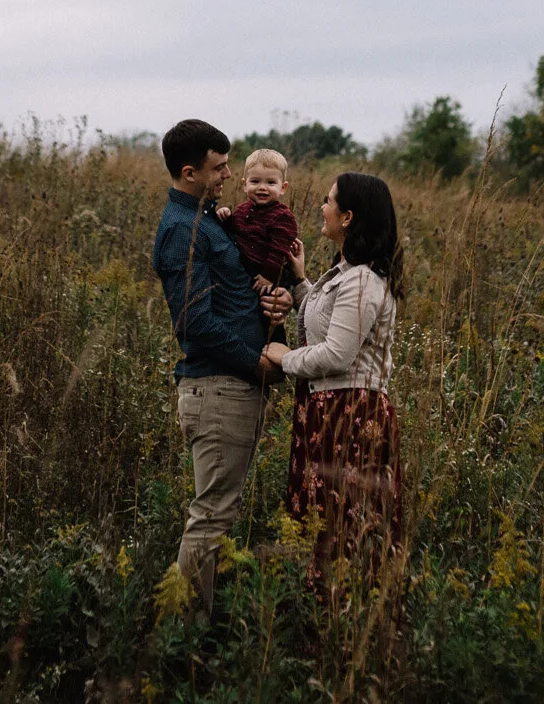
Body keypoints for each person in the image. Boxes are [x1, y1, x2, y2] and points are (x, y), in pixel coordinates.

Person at [153, 118, 291, 615]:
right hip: (217, 389)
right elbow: (193, 321)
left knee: (218, 515)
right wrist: (255, 363)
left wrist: (280, 300)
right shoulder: (179, 230)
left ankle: (194, 627)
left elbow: (237, 293)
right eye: (219, 168)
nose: (230, 175)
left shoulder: (212, 220)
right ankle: (180, 638)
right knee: (211, 518)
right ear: (189, 172)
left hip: (233, 388)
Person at [261, 171, 404, 590]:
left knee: (345, 523)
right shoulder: (346, 273)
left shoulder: (363, 280)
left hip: (351, 417)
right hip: (326, 411)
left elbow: (339, 354)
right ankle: (321, 618)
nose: (321, 207)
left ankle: (344, 619)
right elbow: (329, 327)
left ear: (347, 217)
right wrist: (301, 286)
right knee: (320, 521)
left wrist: (287, 359)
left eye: (328, 201)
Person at [215, 147, 304, 344]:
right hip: (246, 269)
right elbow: (234, 229)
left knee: (269, 314)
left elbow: (278, 250)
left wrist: (268, 276)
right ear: (245, 185)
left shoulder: (282, 216)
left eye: (271, 182)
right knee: (249, 315)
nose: (262, 187)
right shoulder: (243, 209)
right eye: (255, 182)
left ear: (283, 187)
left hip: (266, 273)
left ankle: (275, 348)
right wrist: (225, 217)